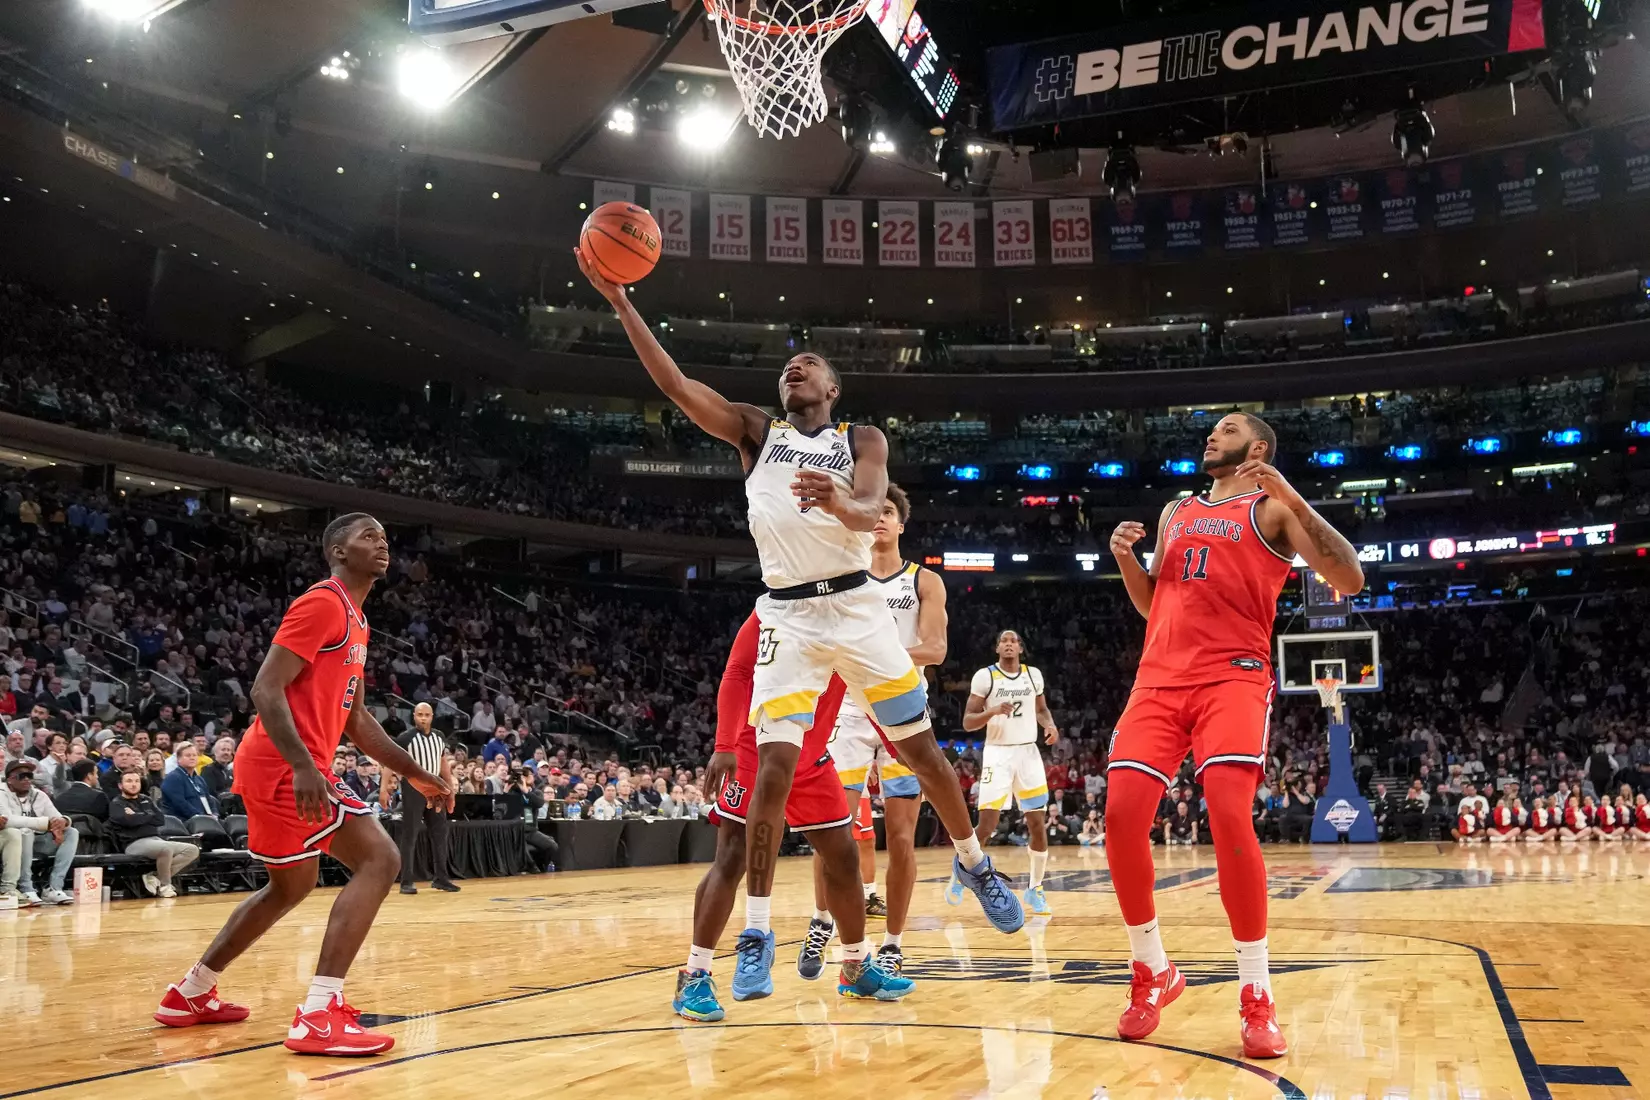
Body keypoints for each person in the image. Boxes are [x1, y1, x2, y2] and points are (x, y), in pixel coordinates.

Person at [575, 248, 1023, 994]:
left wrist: (840, 502)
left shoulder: (861, 439)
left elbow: (872, 506)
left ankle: (976, 864)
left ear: (832, 389)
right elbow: (677, 386)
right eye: (790, 365)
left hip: (858, 605)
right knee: (773, 771)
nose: (796, 368)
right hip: (789, 614)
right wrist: (622, 303)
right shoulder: (757, 433)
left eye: (810, 365)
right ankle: (756, 931)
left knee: (922, 753)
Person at [1106, 411, 1364, 1058]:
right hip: (1158, 679)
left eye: (1225, 429)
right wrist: (1126, 561)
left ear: (1258, 447)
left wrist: (1294, 497)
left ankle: (1257, 992)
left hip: (1233, 677)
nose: (1211, 436)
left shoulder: (1271, 509)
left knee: (1227, 811)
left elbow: (1349, 578)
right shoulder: (1176, 511)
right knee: (1121, 816)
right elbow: (1154, 604)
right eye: (1212, 430)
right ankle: (1152, 969)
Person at [153, 514, 451, 1057]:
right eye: (368, 536)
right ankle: (318, 1014)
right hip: (284, 763)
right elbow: (265, 689)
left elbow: (356, 720)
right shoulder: (323, 603)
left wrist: (415, 772)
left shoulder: (357, 620)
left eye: (385, 537)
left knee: (290, 887)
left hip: (280, 764)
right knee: (381, 858)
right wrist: (303, 766)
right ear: (338, 551)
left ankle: (190, 993)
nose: (382, 543)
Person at [675, 613, 910, 1024]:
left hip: (812, 757)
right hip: (756, 751)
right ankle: (695, 975)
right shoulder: (772, 608)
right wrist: (725, 743)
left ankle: (855, 965)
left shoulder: (851, 612)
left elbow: (869, 689)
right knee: (732, 858)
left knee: (844, 857)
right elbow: (737, 673)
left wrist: (898, 745)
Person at [803, 484, 945, 979]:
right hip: (846, 713)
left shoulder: (923, 580)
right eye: (875, 511)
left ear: (901, 523)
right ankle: (822, 921)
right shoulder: (844, 577)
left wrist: (875, 659)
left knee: (902, 838)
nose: (880, 518)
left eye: (888, 511)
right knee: (832, 829)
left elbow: (935, 649)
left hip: (902, 711)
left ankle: (893, 944)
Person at [949, 630, 1059, 916]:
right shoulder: (985, 676)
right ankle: (961, 872)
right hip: (998, 754)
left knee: (1037, 824)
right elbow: (968, 721)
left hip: (1028, 754)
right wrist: (993, 711)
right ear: (997, 647)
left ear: (1020, 648)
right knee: (986, 826)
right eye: (1004, 641)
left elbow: (1042, 710)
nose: (1009, 644)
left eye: (1013, 641)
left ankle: (1035, 889)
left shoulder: (1033, 675)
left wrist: (1049, 725)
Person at [388, 702, 458, 895]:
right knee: (410, 834)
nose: (423, 718)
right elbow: (390, 761)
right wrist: (384, 789)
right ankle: (406, 881)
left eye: (426, 715)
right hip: (413, 789)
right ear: (414, 716)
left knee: (440, 833)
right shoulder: (405, 738)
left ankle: (441, 878)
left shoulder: (439, 736)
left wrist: (449, 788)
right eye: (420, 715)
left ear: (432, 716)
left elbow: (443, 763)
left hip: (434, 788)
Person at [108, 768, 198, 896]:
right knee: (165, 848)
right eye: (129, 781)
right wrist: (147, 815)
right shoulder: (117, 803)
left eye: (137, 781)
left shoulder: (146, 799)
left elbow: (160, 819)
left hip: (155, 839)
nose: (133, 784)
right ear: (120, 785)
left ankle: (154, 876)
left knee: (192, 849)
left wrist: (137, 815)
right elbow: (129, 822)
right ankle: (165, 886)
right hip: (133, 843)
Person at [0, 759, 78, 905]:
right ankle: (26, 887)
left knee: (71, 833)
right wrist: (44, 823)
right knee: (25, 831)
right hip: (14, 843)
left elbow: (55, 817)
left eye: (29, 775)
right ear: (10, 779)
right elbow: (8, 820)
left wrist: (63, 822)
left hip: (38, 842)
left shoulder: (39, 795)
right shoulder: (2, 793)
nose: (26, 779)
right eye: (21, 776)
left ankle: (54, 887)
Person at [161, 743, 217, 821]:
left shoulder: (199, 779)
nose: (192, 758)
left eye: (194, 755)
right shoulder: (173, 778)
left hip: (202, 820)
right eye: (188, 755)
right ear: (178, 759)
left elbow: (209, 800)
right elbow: (180, 804)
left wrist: (214, 814)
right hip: (181, 821)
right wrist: (200, 817)